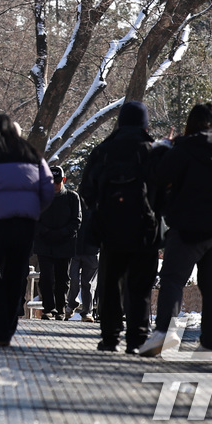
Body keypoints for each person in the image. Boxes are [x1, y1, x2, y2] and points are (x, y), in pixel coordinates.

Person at [138, 101, 212, 357]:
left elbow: (156, 175)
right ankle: (209, 345)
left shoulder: (183, 149)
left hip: (186, 228)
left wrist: (161, 148)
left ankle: (165, 331)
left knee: (173, 280)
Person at [0, 114, 55, 347]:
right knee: (16, 274)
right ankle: (8, 328)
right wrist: (34, 211)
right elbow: (47, 188)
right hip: (25, 224)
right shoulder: (33, 154)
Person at [80, 101, 161, 352]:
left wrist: (100, 207)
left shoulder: (104, 150)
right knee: (140, 284)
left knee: (110, 283)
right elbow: (165, 190)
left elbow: (86, 189)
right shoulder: (152, 151)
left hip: (110, 227)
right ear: (144, 123)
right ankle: (137, 337)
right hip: (144, 228)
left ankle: (110, 337)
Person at [32, 165, 80, 320]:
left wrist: (63, 233)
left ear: (63, 180)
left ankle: (60, 308)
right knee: (46, 277)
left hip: (64, 243)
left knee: (63, 278)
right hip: (44, 242)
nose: (54, 185)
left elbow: (77, 220)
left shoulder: (72, 197)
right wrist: (45, 232)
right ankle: (48, 307)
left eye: (57, 182)